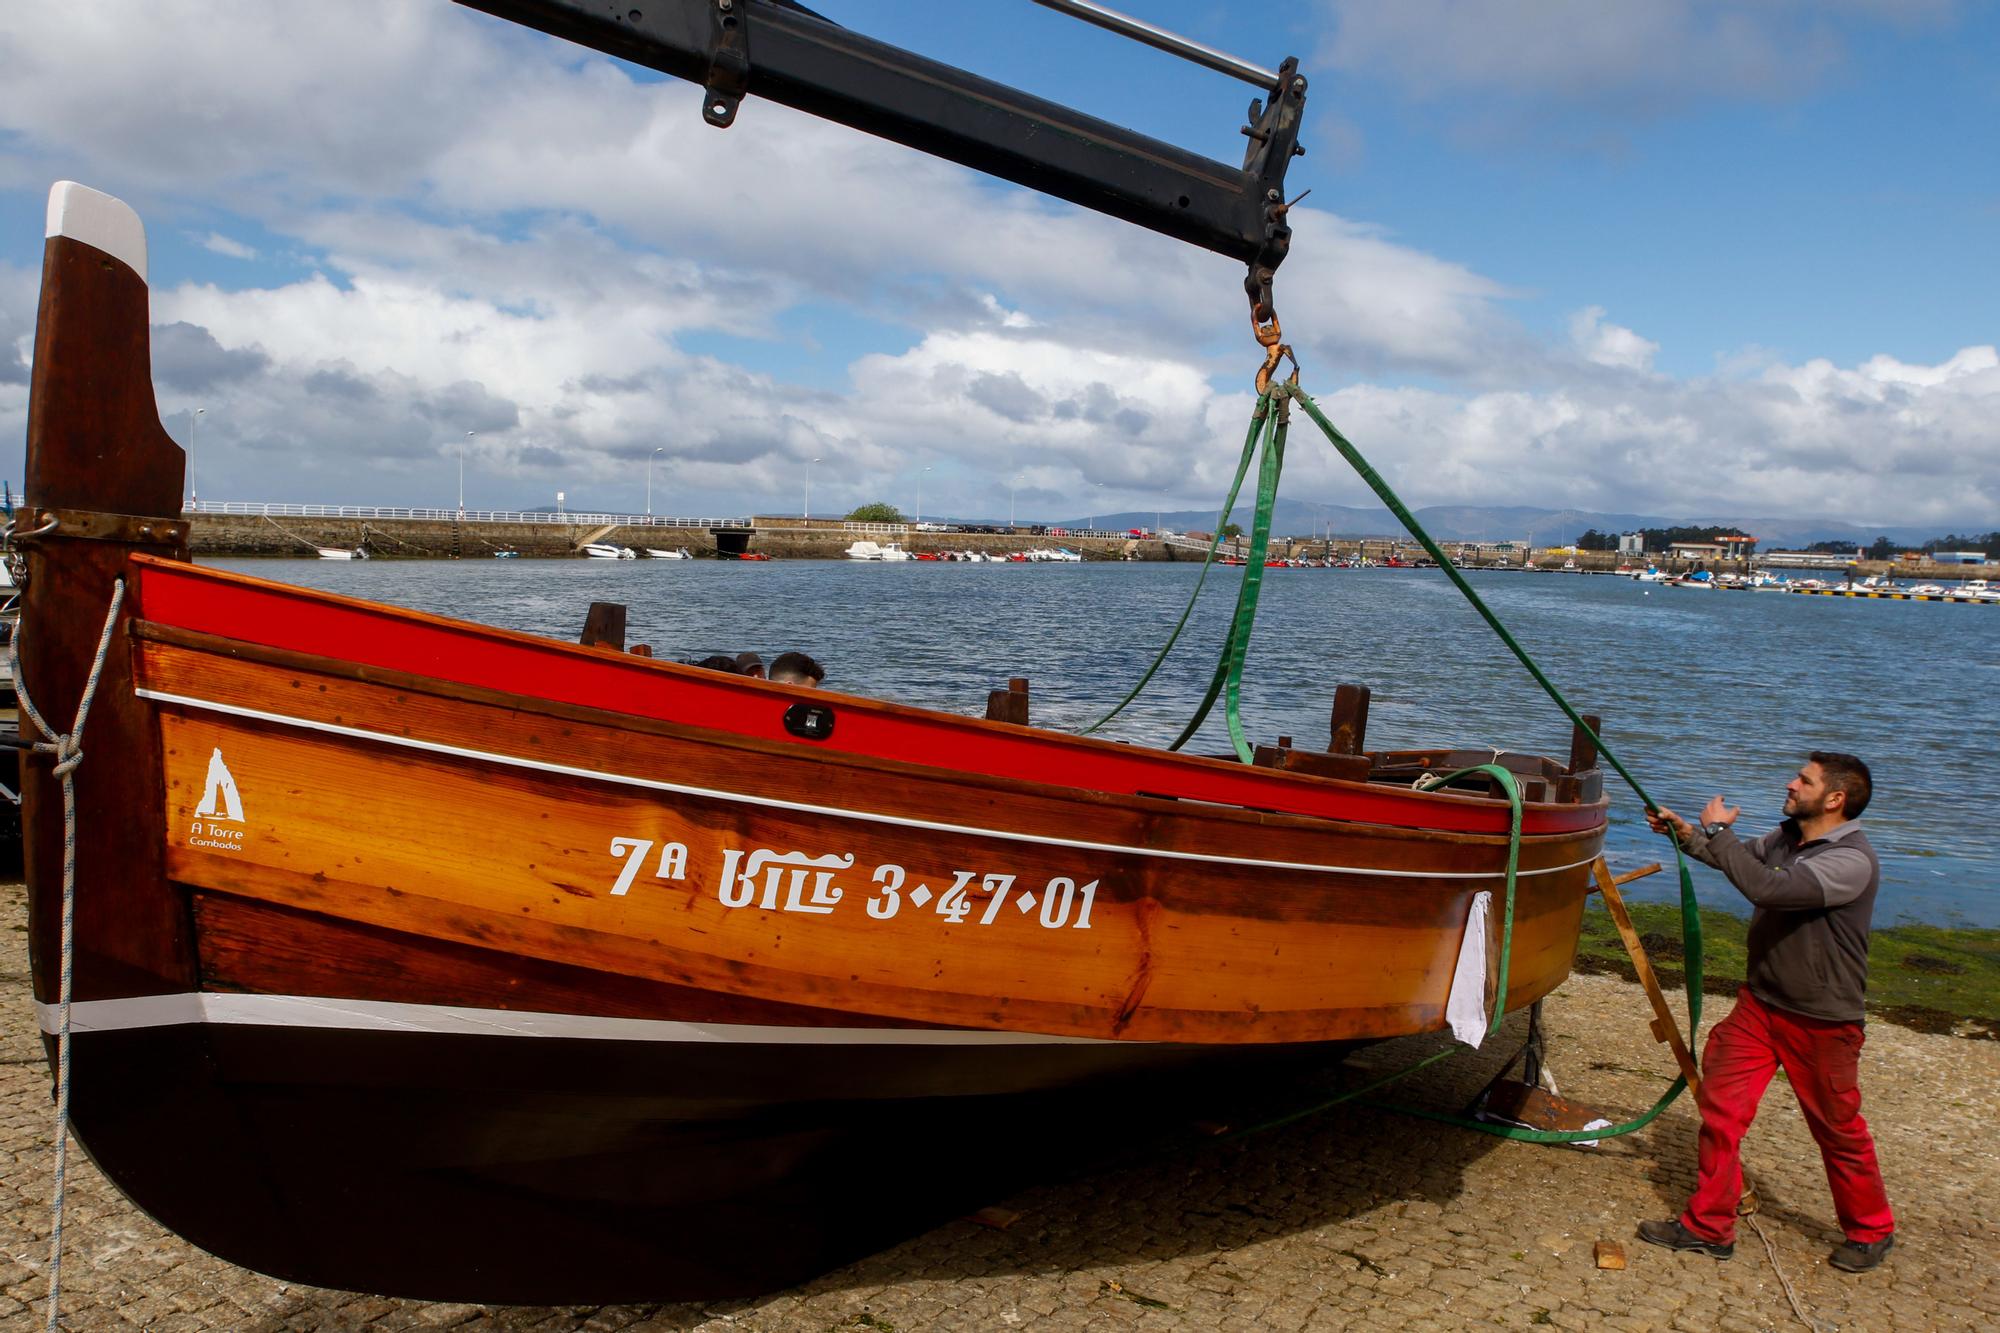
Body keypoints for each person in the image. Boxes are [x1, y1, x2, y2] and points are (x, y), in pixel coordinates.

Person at [1637, 752, 1894, 1273]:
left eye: (1805, 780)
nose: (1791, 783)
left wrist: (1716, 830)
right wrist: (1686, 834)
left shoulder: (1851, 860)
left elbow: (1767, 888)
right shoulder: (1783, 839)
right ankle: (1709, 1227)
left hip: (1823, 1020)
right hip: (1760, 1006)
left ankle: (1871, 1230)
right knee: (1720, 1114)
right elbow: (1733, 860)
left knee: (1837, 1130)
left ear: (1836, 799)